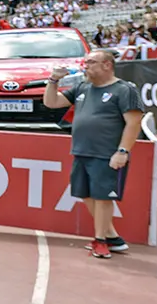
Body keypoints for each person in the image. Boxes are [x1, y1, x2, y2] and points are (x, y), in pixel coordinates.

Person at [43, 49, 145, 259]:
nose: (85, 66)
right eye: (85, 62)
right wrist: (53, 80)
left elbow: (133, 123)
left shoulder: (124, 90)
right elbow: (51, 103)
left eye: (91, 62)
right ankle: (113, 237)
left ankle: (101, 241)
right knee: (85, 194)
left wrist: (123, 151)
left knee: (103, 198)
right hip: (81, 151)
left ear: (107, 65)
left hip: (106, 153)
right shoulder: (82, 86)